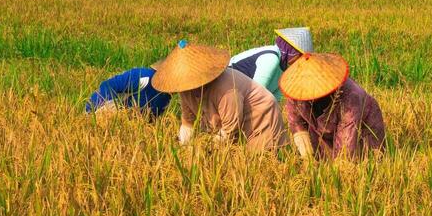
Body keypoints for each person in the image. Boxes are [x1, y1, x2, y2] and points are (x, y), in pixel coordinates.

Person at [85, 41, 289, 152]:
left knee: (255, 164)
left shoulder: (227, 88)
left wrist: (203, 149)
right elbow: (188, 122)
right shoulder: (184, 91)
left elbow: (229, 130)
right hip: (232, 128)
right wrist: (184, 148)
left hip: (259, 120)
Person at [279, 51, 386, 160]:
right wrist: (308, 159)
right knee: (322, 160)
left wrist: (340, 169)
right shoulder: (296, 92)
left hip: (362, 131)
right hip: (324, 131)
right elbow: (297, 123)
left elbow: (346, 145)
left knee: (360, 160)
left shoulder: (351, 97)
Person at [228, 26, 313, 97]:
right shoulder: (271, 58)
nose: (301, 61)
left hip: (242, 95)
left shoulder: (283, 68)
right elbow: (256, 93)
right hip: (228, 87)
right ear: (291, 51)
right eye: (300, 56)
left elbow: (274, 101)